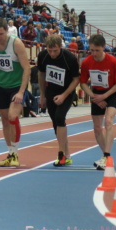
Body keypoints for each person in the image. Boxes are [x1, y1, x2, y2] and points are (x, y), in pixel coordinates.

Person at [0, 17, 31, 167]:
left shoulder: (16, 43)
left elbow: (27, 68)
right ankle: (10, 154)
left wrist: (22, 92)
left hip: (16, 86)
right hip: (1, 86)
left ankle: (15, 153)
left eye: (1, 34)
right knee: (4, 120)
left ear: (7, 31)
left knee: (12, 116)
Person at [80, 34, 116, 170]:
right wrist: (94, 97)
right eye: (91, 50)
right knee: (97, 128)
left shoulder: (112, 61)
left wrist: (105, 96)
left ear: (104, 47)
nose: (94, 53)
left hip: (111, 93)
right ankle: (107, 157)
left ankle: (106, 155)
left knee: (108, 121)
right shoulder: (87, 62)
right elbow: (82, 83)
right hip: (97, 94)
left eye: (97, 50)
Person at [38, 34, 80, 166]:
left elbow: (76, 79)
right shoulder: (43, 56)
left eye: (55, 51)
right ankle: (67, 154)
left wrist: (64, 95)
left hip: (67, 91)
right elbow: (41, 74)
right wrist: (42, 95)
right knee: (55, 122)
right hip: (51, 91)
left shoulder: (70, 58)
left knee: (60, 117)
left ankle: (61, 154)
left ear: (60, 47)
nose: (52, 53)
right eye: (49, 50)